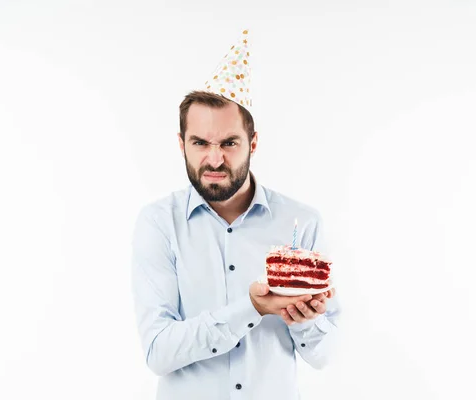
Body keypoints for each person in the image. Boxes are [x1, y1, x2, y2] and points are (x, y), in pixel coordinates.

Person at [130, 30, 341, 400]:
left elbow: (325, 357)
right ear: (182, 144)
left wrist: (307, 321)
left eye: (229, 142)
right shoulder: (159, 224)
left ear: (253, 143)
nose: (214, 159)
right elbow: (158, 352)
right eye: (200, 143)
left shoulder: (303, 223)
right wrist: (253, 308)